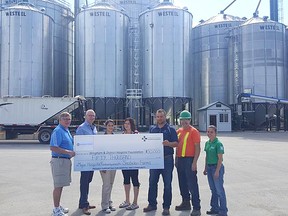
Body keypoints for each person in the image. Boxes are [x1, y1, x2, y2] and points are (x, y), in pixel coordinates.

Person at [143, 109, 178, 216]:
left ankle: (166, 207)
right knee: (152, 182)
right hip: (154, 159)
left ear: (165, 117)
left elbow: (176, 143)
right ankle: (152, 204)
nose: (159, 118)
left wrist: (169, 144)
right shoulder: (152, 129)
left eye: (161, 116)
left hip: (167, 159)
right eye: (157, 117)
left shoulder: (171, 129)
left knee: (167, 184)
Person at [175, 110, 201, 216]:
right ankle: (186, 202)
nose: (184, 121)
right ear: (180, 120)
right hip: (180, 160)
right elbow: (176, 145)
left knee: (192, 184)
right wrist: (176, 159)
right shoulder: (179, 131)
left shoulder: (194, 131)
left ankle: (196, 207)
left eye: (186, 119)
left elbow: (198, 148)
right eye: (182, 120)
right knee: (182, 183)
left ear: (189, 120)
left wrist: (194, 162)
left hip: (189, 160)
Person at [50, 112, 75, 216]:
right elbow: (53, 147)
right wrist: (68, 152)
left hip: (65, 161)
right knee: (58, 186)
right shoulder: (58, 131)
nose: (67, 120)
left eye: (68, 119)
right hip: (59, 160)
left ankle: (58, 206)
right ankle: (56, 210)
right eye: (65, 118)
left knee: (61, 185)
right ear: (60, 120)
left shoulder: (66, 130)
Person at [203, 125, 228, 216]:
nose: (209, 134)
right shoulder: (207, 143)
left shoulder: (218, 144)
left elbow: (220, 159)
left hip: (216, 167)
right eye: (208, 132)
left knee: (219, 190)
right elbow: (207, 156)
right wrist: (205, 168)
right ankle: (214, 208)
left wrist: (217, 171)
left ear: (215, 133)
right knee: (213, 189)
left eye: (211, 132)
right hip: (209, 168)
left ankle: (223, 211)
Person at [77, 109, 97, 215]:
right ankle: (84, 205)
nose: (91, 117)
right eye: (90, 115)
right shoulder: (81, 128)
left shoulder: (93, 128)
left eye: (93, 116)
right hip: (85, 159)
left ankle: (83, 202)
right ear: (85, 116)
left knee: (88, 180)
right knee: (84, 181)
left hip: (92, 159)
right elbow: (79, 144)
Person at [119, 117, 140, 210]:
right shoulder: (122, 134)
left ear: (131, 124)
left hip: (134, 161)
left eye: (128, 123)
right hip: (125, 161)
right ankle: (127, 200)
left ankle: (135, 202)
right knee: (126, 180)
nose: (126, 125)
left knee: (135, 180)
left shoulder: (136, 134)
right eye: (125, 123)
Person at [100, 119, 117, 214]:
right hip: (105, 164)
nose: (111, 127)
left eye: (112, 125)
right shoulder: (102, 138)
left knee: (110, 184)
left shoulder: (115, 137)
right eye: (109, 125)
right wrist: (102, 165)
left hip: (113, 163)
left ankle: (109, 202)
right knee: (106, 184)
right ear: (106, 127)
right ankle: (104, 205)